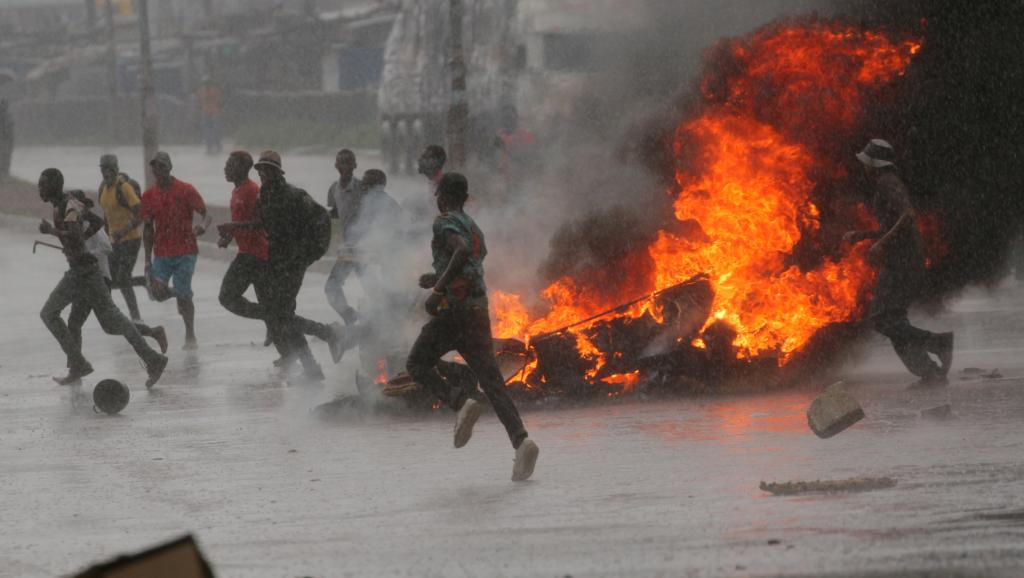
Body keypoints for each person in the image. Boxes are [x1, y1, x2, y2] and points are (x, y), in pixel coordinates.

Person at [405, 172, 539, 481]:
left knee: (416, 363)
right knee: (492, 382)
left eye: (438, 195)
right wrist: (435, 277)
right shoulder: (475, 227)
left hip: (453, 313)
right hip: (478, 313)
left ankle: (459, 402)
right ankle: (522, 441)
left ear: (444, 196)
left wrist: (438, 292)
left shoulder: (445, 222)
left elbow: (461, 250)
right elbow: (468, 261)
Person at [37, 169, 167, 387]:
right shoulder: (70, 204)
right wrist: (77, 245)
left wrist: (53, 232)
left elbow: (76, 236)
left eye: (43, 185)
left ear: (54, 186)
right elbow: (97, 222)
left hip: (83, 274)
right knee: (107, 321)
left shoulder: (68, 206)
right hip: (85, 272)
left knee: (49, 313)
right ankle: (151, 358)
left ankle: (79, 363)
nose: (39, 189)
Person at [845, 139, 954, 385]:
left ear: (874, 164)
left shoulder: (887, 183)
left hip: (903, 262)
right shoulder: (886, 183)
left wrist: (881, 244)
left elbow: (906, 216)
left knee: (882, 319)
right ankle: (930, 373)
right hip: (900, 260)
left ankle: (937, 342)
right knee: (892, 320)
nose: (864, 167)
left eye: (866, 162)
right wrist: (861, 235)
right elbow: (891, 226)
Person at [243, 150, 347, 383]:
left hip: (293, 263)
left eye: (268, 169)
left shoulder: (294, 195)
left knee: (281, 316)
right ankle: (312, 365)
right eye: (261, 170)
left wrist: (309, 254)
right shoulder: (264, 198)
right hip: (276, 263)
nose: (264, 174)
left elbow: (322, 220)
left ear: (277, 171)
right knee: (283, 316)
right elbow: (266, 225)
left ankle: (328, 333)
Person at [65, 189, 168, 358]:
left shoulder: (94, 227)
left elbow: (106, 247)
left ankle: (152, 340)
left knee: (107, 324)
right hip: (88, 280)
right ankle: (75, 366)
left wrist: (86, 255)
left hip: (98, 280)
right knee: (90, 324)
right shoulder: (76, 228)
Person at [140, 151, 211, 350]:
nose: (158, 170)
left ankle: (190, 334)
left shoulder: (185, 190)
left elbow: (206, 214)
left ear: (170, 168)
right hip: (161, 253)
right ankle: (179, 293)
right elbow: (147, 229)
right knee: (157, 293)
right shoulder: (149, 196)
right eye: (155, 167)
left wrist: (202, 227)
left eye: (162, 166)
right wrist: (147, 260)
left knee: (184, 297)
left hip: (185, 251)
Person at [215, 151, 275, 347]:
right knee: (266, 299)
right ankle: (275, 323)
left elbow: (261, 221)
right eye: (226, 164)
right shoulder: (237, 191)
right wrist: (229, 236)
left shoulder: (252, 190)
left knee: (227, 296)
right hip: (247, 253)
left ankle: (274, 319)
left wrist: (234, 228)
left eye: (230, 164)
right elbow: (241, 220)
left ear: (242, 168)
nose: (225, 168)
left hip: (256, 254)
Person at [97, 154, 145, 321]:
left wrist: (123, 231)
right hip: (114, 242)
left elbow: (141, 214)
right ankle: (111, 315)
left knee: (123, 278)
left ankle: (136, 318)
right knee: (107, 278)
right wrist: (102, 236)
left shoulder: (124, 188)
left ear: (116, 169)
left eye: (110, 169)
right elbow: (107, 216)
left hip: (131, 240)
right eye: (103, 169)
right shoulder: (103, 190)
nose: (107, 173)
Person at [324, 149, 362, 323]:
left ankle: (383, 321)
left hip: (364, 247)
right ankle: (351, 317)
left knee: (373, 288)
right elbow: (334, 220)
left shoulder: (362, 188)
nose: (345, 166)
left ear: (355, 165)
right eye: (341, 162)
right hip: (347, 249)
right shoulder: (333, 190)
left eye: (348, 162)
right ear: (336, 166)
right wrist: (336, 244)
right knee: (332, 286)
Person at [197, 77, 222, 155]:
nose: (207, 85)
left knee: (213, 130)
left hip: (212, 113)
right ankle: (211, 146)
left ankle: (215, 145)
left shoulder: (205, 91)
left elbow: (218, 100)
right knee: (209, 131)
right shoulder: (210, 90)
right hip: (207, 113)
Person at [0, 98, 12, 180]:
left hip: (6, 140)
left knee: (5, 156)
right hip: (5, 140)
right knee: (5, 156)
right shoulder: (7, 117)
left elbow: (10, 130)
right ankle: (4, 174)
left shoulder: (8, 117)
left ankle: (4, 174)